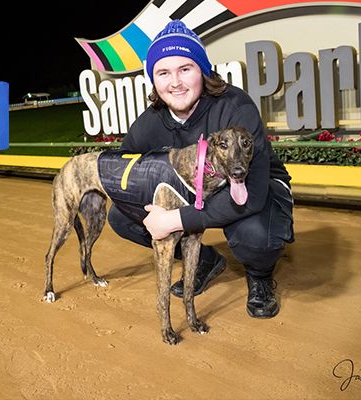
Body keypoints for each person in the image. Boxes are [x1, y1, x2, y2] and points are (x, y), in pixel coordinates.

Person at [107, 19, 294, 318]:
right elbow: (123, 169)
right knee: (120, 216)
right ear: (153, 80)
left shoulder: (235, 106)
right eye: (163, 73)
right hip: (195, 194)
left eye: (185, 69)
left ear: (203, 71)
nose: (175, 82)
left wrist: (174, 220)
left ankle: (259, 275)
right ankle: (205, 259)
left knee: (254, 233)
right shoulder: (148, 123)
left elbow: (254, 194)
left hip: (254, 189)